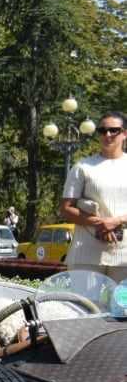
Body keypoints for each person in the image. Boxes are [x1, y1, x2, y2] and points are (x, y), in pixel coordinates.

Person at [62, 110, 127, 283]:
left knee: (122, 301)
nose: (108, 134)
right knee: (84, 301)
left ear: (125, 134)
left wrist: (117, 220)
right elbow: (66, 209)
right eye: (102, 130)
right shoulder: (82, 167)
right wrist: (100, 223)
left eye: (114, 130)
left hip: (124, 256)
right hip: (86, 253)